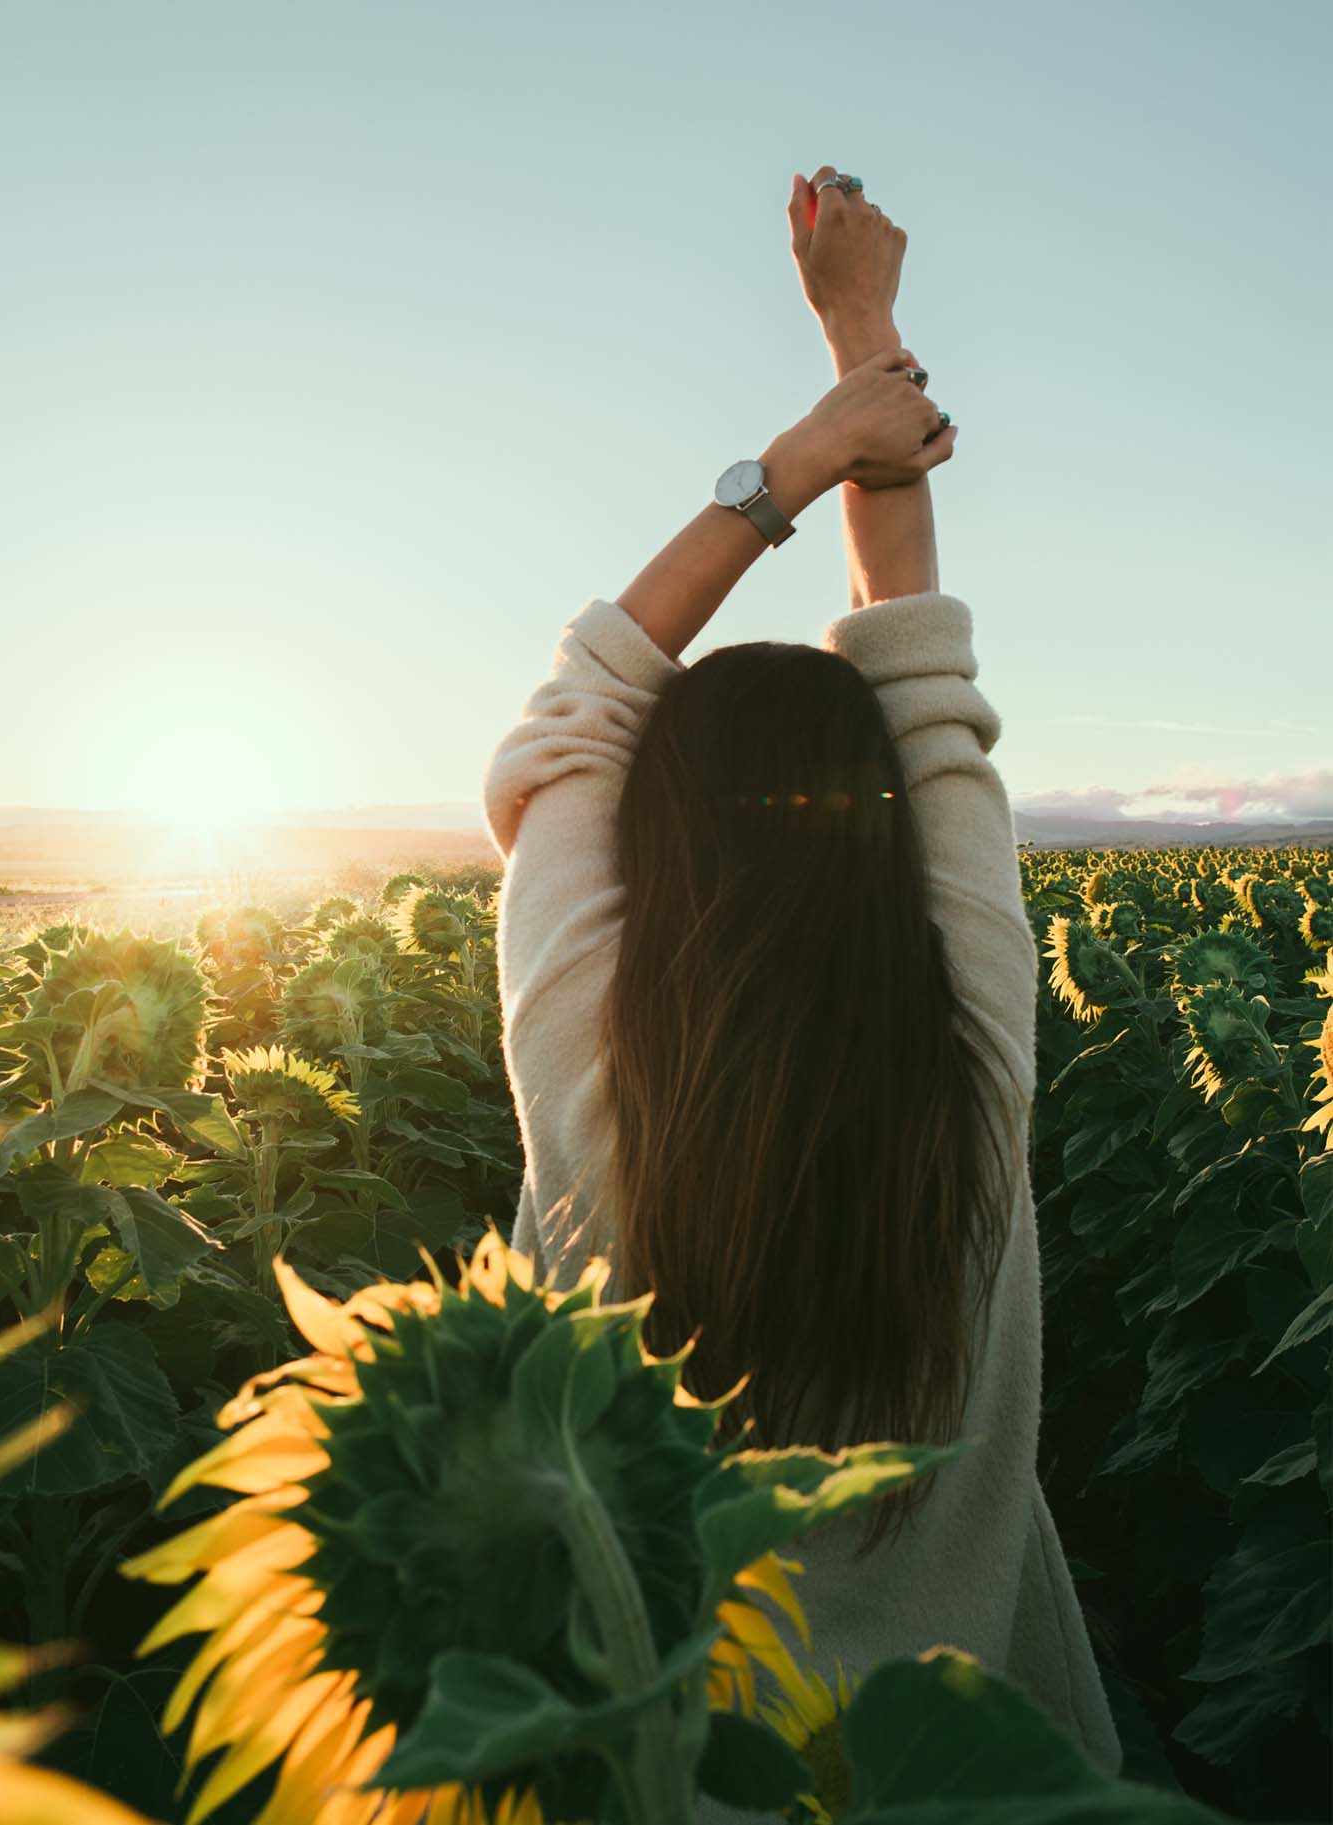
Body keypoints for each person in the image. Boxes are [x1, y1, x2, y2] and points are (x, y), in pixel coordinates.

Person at [481, 164, 1124, 1787]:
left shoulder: (586, 1068)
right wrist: (863, 331)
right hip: (972, 1774)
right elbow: (917, 654)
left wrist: (799, 456)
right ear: (893, 834)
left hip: (657, 1776)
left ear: (648, 846)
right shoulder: (974, 1036)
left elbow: (580, 704)